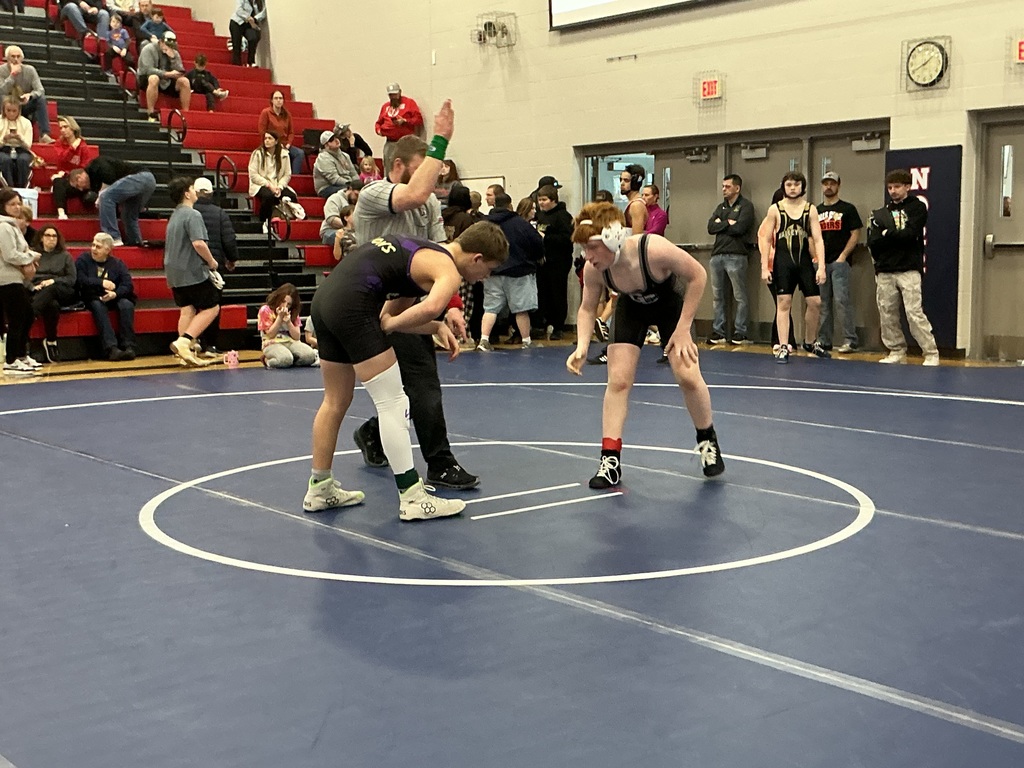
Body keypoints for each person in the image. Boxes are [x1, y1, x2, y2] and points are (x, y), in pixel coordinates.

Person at [304, 222, 508, 519]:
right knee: (394, 402)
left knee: (335, 400)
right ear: (477, 258)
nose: (484, 278)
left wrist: (435, 327)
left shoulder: (421, 255)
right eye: (488, 270)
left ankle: (320, 488)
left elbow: (390, 318)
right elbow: (426, 309)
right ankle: (412, 497)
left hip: (326, 301)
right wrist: (414, 322)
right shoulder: (448, 269)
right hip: (352, 306)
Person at [351, 103, 480, 491]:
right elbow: (413, 193)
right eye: (425, 167)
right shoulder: (373, 194)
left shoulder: (429, 203)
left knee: (414, 385)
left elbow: (442, 254)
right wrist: (441, 139)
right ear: (398, 166)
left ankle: (377, 435)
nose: (433, 177)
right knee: (415, 385)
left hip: (409, 303)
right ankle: (438, 462)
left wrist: (451, 306)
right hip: (371, 305)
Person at [566, 202, 725, 487]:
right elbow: (588, 308)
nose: (587, 256)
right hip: (632, 308)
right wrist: (581, 346)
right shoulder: (594, 269)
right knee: (618, 381)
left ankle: (707, 440)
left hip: (671, 306)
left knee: (687, 376)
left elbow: (698, 275)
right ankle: (610, 460)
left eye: (592, 248)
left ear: (613, 239)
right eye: (584, 249)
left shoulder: (653, 249)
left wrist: (683, 328)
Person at [866, 168, 940, 366]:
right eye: (890, 187)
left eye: (897, 187)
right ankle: (896, 350)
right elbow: (873, 241)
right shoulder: (881, 213)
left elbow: (910, 234)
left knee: (914, 312)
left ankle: (930, 352)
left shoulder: (917, 207)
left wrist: (887, 233)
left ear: (907, 187)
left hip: (909, 268)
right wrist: (889, 236)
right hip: (885, 269)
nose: (893, 191)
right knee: (887, 312)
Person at [757, 172, 827, 363]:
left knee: (815, 302)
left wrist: (821, 266)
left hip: (804, 263)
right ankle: (783, 345)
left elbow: (818, 239)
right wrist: (764, 267)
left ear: (802, 187)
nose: (793, 188)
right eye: (789, 185)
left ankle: (810, 342)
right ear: (783, 187)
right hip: (783, 263)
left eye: (796, 184)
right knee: (783, 303)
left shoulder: (810, 209)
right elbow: (765, 239)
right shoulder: (775, 209)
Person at [163, 177, 222, 368]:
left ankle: (184, 354)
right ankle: (185, 341)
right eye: (192, 188)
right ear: (187, 193)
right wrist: (211, 262)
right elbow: (198, 243)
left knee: (187, 310)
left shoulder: (174, 216)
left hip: (173, 272)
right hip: (190, 270)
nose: (195, 191)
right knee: (212, 307)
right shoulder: (192, 214)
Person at [478, 192, 544, 351]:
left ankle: (483, 340)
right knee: (521, 309)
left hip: (492, 272)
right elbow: (537, 243)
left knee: (490, 308)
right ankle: (526, 341)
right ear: (510, 205)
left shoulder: (484, 224)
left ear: (494, 205)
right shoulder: (520, 223)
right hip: (518, 271)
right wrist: (536, 258)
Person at [816, 172, 863, 353]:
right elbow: (811, 237)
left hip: (840, 262)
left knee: (842, 301)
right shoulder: (816, 210)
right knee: (823, 303)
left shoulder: (848, 209)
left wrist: (843, 256)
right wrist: (816, 258)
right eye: (825, 183)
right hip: (821, 263)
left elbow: (855, 233)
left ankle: (850, 340)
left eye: (832, 183)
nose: (828, 186)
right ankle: (824, 341)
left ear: (838, 185)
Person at [707, 173, 755, 345]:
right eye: (723, 186)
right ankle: (718, 331)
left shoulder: (746, 206)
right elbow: (711, 227)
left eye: (727, 186)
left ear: (737, 188)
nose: (724, 189)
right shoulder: (720, 207)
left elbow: (740, 228)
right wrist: (728, 222)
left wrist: (721, 223)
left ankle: (740, 331)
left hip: (736, 255)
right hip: (717, 255)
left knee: (739, 296)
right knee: (717, 296)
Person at [192, 176, 238, 356]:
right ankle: (210, 344)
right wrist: (232, 259)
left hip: (189, 266)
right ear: (211, 193)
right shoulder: (219, 213)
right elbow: (229, 238)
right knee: (212, 306)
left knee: (190, 307)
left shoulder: (187, 211)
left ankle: (191, 342)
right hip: (213, 266)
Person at [71, 155, 156, 247]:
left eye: (77, 185)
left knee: (105, 197)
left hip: (140, 177)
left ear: (79, 177)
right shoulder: (96, 180)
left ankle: (112, 237)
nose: (80, 189)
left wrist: (101, 197)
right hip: (149, 180)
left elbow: (110, 178)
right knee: (128, 215)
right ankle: (135, 242)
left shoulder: (95, 165)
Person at [76, 232, 136, 360]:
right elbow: (81, 280)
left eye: (98, 247)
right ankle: (111, 348)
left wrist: (115, 294)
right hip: (92, 297)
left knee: (126, 305)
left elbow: (127, 285)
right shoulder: (83, 260)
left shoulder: (117, 264)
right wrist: (101, 282)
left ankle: (128, 346)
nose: (93, 249)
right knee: (98, 306)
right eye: (93, 245)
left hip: (114, 296)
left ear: (108, 250)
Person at [0, 188, 40, 375]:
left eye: (19, 203)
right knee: (17, 318)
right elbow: (10, 255)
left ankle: (21, 354)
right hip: (7, 278)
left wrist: (28, 258)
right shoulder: (3, 227)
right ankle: (11, 360)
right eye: (12, 204)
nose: (17, 207)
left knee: (28, 314)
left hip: (16, 277)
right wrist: (31, 257)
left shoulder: (12, 225)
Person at [29, 226, 77, 363]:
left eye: (54, 236)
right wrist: (33, 286)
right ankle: (51, 341)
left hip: (62, 289)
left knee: (51, 289)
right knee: (52, 305)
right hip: (39, 289)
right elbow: (25, 276)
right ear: (41, 238)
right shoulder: (33, 255)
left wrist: (53, 281)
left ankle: (30, 314)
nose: (51, 239)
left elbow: (72, 279)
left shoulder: (65, 256)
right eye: (48, 235)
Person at [534, 183, 574, 341]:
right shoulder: (540, 216)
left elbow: (567, 239)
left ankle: (559, 326)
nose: (541, 203)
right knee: (543, 294)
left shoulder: (563, 216)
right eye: (539, 200)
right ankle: (542, 323)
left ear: (553, 200)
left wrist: (546, 238)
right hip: (543, 261)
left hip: (558, 261)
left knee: (558, 294)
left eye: (544, 200)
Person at [248, 131, 302, 229]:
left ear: (276, 141)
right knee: (268, 196)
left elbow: (287, 174)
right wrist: (269, 185)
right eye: (265, 138)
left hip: (277, 184)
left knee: (291, 195)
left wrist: (280, 187)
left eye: (270, 138)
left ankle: (293, 220)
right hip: (260, 184)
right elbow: (253, 175)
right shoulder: (258, 154)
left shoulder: (284, 154)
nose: (267, 141)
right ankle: (264, 221)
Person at [0, 46, 54, 144]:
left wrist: (30, 95)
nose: (16, 59)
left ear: (22, 58)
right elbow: (2, 90)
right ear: (7, 58)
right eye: (13, 56)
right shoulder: (1, 71)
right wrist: (12, 75)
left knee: (41, 99)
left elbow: (40, 90)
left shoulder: (30, 70)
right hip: (6, 106)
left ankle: (44, 134)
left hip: (24, 104)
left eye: (18, 56)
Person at [258, 283, 317, 368]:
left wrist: (289, 322)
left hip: (290, 342)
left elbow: (297, 337)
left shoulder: (293, 312)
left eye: (288, 304)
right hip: (271, 343)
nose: (285, 306)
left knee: (309, 356)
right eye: (283, 301)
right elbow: (270, 335)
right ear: (278, 298)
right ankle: (267, 360)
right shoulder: (265, 310)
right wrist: (280, 318)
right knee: (285, 359)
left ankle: (291, 360)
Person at [137, 31, 191, 122]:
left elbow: (181, 71)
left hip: (166, 80)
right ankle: (151, 112)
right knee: (154, 78)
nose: (169, 47)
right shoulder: (149, 49)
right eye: (167, 45)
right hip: (147, 78)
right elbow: (148, 69)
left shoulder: (174, 52)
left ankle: (186, 114)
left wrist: (173, 59)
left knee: (185, 81)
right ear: (161, 42)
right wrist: (166, 74)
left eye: (171, 46)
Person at [51, 116, 93, 221]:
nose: (62, 130)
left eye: (65, 127)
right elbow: (62, 158)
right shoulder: (59, 144)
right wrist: (72, 148)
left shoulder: (83, 146)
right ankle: (61, 213)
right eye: (60, 128)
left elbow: (85, 166)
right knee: (58, 181)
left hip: (79, 180)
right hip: (65, 180)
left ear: (73, 128)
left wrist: (68, 173)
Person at [374, 82, 422, 174]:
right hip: (390, 142)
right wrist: (379, 130)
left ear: (400, 92)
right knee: (389, 165)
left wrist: (405, 121)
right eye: (391, 95)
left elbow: (419, 120)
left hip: (406, 142)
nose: (393, 97)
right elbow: (378, 123)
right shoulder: (385, 106)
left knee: (406, 165)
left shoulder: (409, 103)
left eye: (395, 94)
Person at [257, 90, 304, 175]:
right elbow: (262, 131)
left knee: (299, 153)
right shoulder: (266, 113)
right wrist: (273, 143)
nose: (278, 100)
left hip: (285, 145)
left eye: (280, 98)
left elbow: (291, 132)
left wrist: (288, 144)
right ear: (272, 100)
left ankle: (293, 177)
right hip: (272, 144)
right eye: (276, 98)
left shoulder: (287, 114)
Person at [0, 94, 34, 188]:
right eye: (8, 110)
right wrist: (4, 139)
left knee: (23, 160)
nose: (11, 113)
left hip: (22, 149)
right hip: (3, 149)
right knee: (5, 160)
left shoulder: (26, 123)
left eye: (14, 111)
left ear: (19, 110)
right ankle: (9, 188)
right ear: (3, 109)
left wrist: (20, 138)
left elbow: (28, 146)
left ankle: (22, 188)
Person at [313, 128, 358, 199]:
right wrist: (352, 184)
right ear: (326, 145)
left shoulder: (345, 155)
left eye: (335, 137)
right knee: (350, 192)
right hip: (327, 188)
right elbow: (334, 179)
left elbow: (353, 173)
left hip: (347, 184)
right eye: (331, 140)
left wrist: (358, 183)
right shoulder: (323, 158)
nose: (336, 140)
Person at [229, 0, 265, 67]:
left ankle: (251, 61)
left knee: (254, 37)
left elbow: (263, 13)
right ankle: (237, 65)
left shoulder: (260, 2)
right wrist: (248, 17)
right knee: (237, 45)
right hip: (237, 22)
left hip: (249, 25)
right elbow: (238, 10)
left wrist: (255, 19)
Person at [620, 164, 648, 234]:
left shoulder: (636, 205)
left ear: (634, 183)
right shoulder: (633, 203)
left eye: (626, 180)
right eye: (621, 180)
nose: (621, 183)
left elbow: (637, 236)